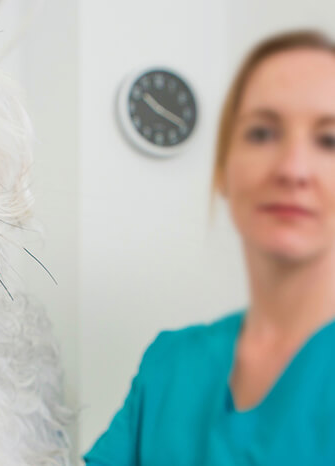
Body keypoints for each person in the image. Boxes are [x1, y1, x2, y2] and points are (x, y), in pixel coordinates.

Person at [84, 30, 335, 465]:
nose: (294, 169)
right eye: (261, 133)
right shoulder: (170, 366)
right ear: (222, 168)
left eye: (329, 141)